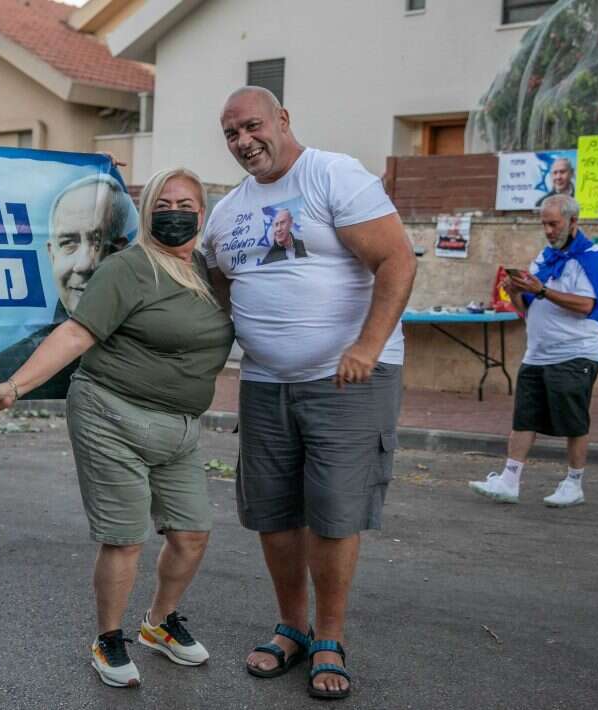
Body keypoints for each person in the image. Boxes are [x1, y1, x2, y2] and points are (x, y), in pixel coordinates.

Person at [0, 168, 234, 689]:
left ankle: (159, 623)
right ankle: (108, 638)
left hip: (179, 427)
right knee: (125, 538)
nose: (175, 212)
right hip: (111, 415)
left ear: (202, 215)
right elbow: (75, 334)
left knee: (192, 533)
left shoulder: (206, 270)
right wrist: (15, 388)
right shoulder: (129, 268)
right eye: (164, 202)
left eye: (186, 204)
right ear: (147, 210)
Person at [204, 86, 416, 700]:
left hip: (346, 380)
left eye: (252, 127)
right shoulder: (228, 211)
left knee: (333, 511)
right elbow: (220, 282)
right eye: (231, 134)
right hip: (266, 384)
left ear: (282, 120)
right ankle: (291, 627)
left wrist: (367, 347)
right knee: (272, 513)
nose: (244, 142)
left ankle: (330, 636)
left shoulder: (332, 175)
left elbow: (398, 260)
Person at [469, 194, 598, 508]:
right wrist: (515, 292)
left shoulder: (590, 256)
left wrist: (542, 290)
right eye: (544, 223)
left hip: (575, 353)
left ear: (573, 222)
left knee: (574, 421)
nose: (547, 230)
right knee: (524, 419)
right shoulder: (544, 258)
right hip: (537, 353)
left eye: (553, 223)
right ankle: (509, 480)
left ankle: (574, 484)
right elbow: (526, 309)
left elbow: (587, 305)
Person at [0, 173, 134, 399]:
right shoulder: (3, 371)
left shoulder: (151, 337)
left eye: (98, 242)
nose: (83, 264)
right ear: (52, 255)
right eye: (69, 243)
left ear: (122, 251)